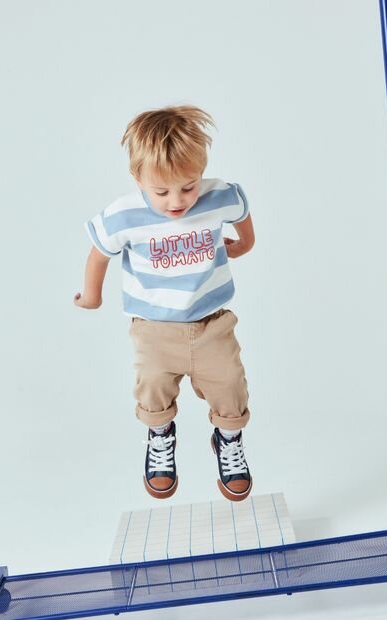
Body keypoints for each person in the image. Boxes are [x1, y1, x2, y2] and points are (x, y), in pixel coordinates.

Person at [74, 105, 255, 502]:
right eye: (161, 192)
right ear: (137, 177)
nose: (177, 201)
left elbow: (241, 213)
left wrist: (244, 244)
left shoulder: (218, 196)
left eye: (189, 187)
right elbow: (98, 255)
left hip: (212, 322)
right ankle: (160, 435)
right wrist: (92, 296)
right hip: (154, 328)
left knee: (230, 384)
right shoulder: (124, 216)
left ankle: (228, 440)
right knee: (152, 385)